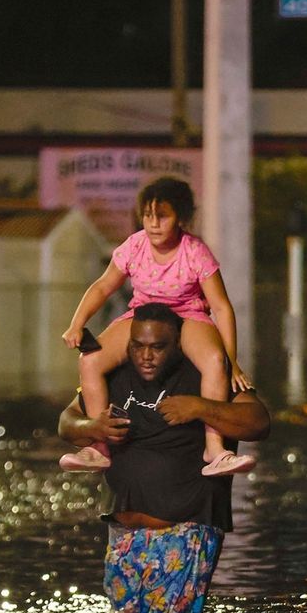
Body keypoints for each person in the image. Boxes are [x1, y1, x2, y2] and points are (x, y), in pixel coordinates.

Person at [58, 302, 270, 613]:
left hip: (185, 530)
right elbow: (67, 421)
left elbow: (258, 421)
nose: (146, 355)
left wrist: (200, 408)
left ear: (178, 345)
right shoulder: (113, 374)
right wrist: (93, 428)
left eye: (158, 347)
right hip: (124, 534)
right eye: (138, 346)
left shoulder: (208, 373)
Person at [59, 176, 255, 477]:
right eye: (148, 215)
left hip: (186, 315)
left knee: (215, 362)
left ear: (181, 217)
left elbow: (220, 306)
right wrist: (77, 323)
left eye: (162, 215)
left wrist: (233, 361)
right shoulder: (134, 246)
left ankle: (214, 448)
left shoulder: (195, 251)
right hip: (143, 316)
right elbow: (102, 286)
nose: (153, 223)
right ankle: (98, 447)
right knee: (90, 360)